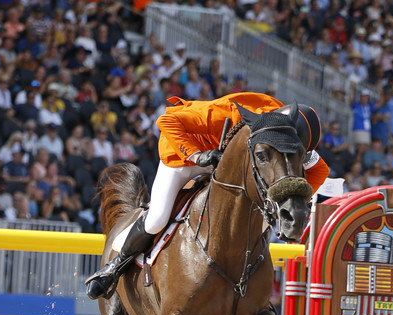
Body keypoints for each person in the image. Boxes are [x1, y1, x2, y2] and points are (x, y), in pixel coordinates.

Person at [85, 92, 330, 300]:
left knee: (259, 217)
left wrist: (286, 199)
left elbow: (320, 170)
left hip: (227, 165)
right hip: (186, 155)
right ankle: (114, 268)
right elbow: (167, 120)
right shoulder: (224, 114)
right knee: (158, 218)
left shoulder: (285, 129)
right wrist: (197, 156)